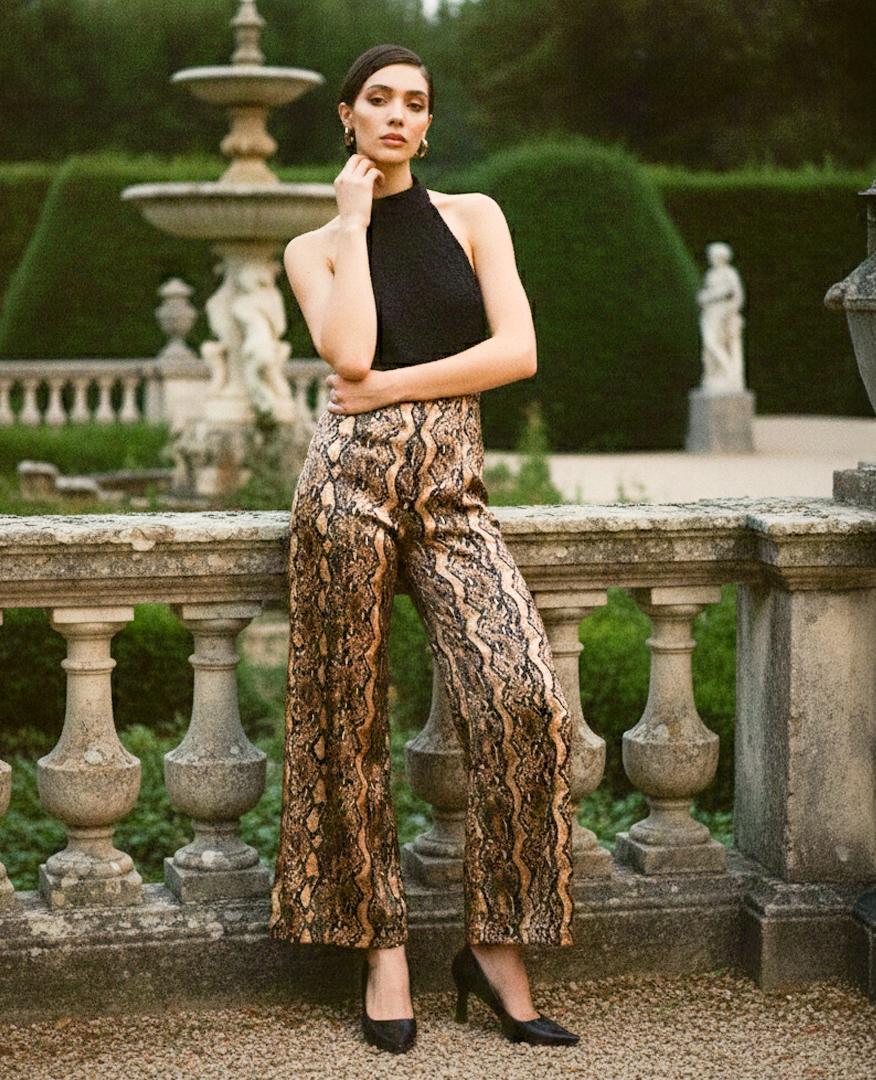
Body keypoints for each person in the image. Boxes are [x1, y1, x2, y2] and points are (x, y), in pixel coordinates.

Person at [269, 44, 579, 1054]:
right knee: (344, 719)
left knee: (525, 695)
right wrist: (355, 224)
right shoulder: (314, 248)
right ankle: (384, 949)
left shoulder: (475, 217)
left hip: (452, 492)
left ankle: (496, 947)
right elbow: (349, 352)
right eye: (380, 102)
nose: (399, 116)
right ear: (348, 120)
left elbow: (518, 352)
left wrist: (398, 387)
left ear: (429, 125)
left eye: (416, 104)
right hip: (345, 490)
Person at [697, 242, 745, 392]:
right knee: (709, 344)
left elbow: (738, 296)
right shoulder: (711, 274)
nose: (711, 259)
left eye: (714, 256)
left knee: (712, 341)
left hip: (723, 315)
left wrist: (730, 312)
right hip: (710, 314)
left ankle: (729, 370)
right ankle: (721, 373)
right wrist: (705, 298)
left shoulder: (729, 273)